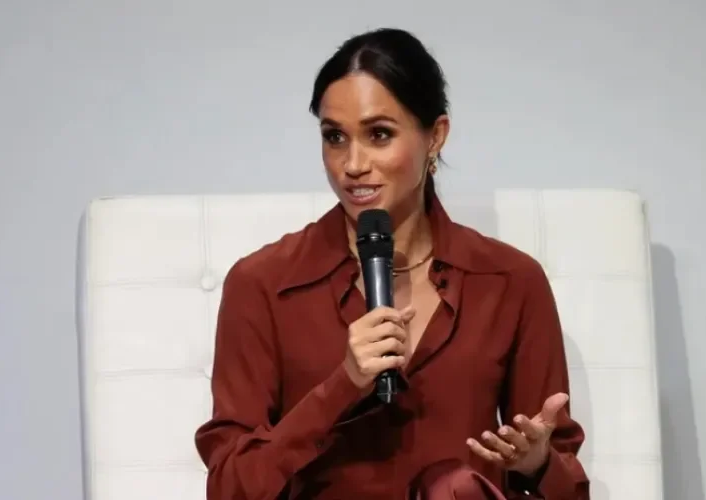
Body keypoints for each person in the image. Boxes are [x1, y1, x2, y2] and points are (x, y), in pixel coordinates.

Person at [195, 27, 590, 499]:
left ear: (435, 136)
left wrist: (538, 463)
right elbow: (230, 489)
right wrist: (342, 386)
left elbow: (569, 490)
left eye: (379, 134)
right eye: (334, 137)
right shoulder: (262, 284)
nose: (352, 163)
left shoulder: (509, 281)